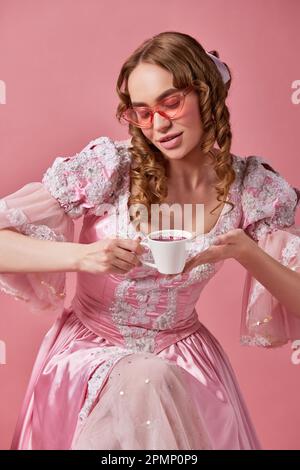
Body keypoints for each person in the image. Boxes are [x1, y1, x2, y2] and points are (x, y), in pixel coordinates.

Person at [0, 31, 300, 450]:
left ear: (205, 94)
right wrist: (84, 256)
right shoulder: (111, 167)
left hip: (186, 360)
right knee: (146, 379)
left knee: (155, 380)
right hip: (89, 354)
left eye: (171, 103)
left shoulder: (252, 188)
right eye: (142, 112)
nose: (159, 125)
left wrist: (247, 253)